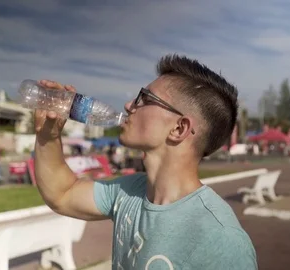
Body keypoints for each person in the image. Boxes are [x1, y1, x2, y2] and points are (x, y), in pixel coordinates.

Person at [33, 54, 258, 269]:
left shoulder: (222, 240)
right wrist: (48, 135)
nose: (129, 105)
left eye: (145, 98)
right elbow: (62, 194)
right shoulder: (130, 190)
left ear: (179, 128)